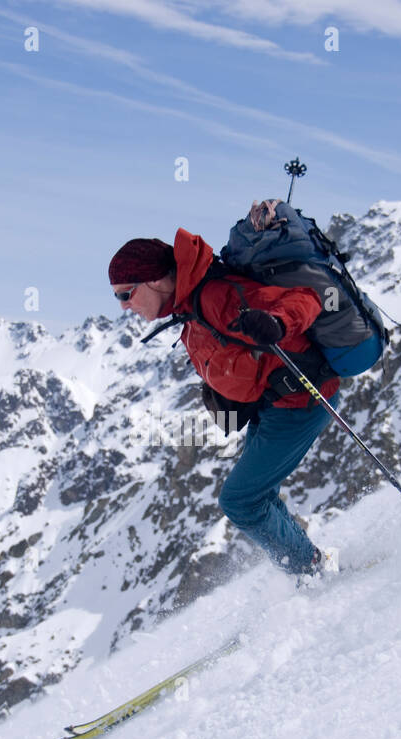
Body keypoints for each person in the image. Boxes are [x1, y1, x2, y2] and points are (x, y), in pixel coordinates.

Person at [109, 228, 340, 580]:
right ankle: (318, 569)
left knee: (241, 501)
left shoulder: (215, 296)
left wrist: (277, 322)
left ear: (154, 280)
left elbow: (307, 297)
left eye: (126, 294)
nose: (125, 306)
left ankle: (314, 574)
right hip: (272, 404)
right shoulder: (189, 304)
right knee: (259, 497)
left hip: (301, 401)